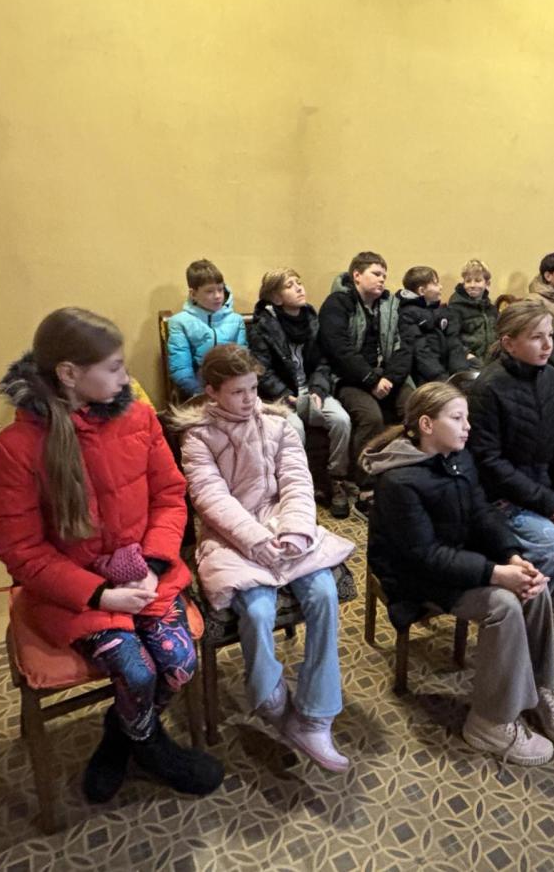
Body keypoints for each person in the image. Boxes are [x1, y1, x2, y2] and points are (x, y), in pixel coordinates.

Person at [0, 307, 223, 804]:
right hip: (73, 594)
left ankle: (121, 733)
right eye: (114, 368)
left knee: (179, 661)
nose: (126, 378)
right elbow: (22, 552)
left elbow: (169, 496)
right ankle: (150, 746)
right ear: (69, 374)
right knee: (137, 671)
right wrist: (100, 594)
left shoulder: (139, 418)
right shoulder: (17, 448)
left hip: (146, 574)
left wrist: (152, 566)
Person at [362, 382, 554, 765]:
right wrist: (495, 574)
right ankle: (489, 723)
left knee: (534, 589)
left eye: (467, 418)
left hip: (457, 558)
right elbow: (424, 556)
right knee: (504, 606)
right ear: (426, 424)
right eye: (458, 418)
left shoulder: (458, 458)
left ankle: (541, 687)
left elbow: (482, 514)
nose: (468, 427)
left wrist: (512, 557)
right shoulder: (398, 481)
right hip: (414, 575)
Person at [170, 344, 355, 772]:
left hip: (282, 523)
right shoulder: (198, 435)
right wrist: (255, 540)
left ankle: (315, 714)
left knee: (324, 593)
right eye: (238, 392)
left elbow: (296, 481)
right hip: (229, 536)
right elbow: (211, 499)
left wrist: (296, 529)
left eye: (253, 388)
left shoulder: (277, 423)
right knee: (256, 609)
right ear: (212, 391)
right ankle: (271, 698)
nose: (249, 398)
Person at [466, 301, 554, 610]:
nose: (548, 345)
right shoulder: (488, 388)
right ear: (509, 343)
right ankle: (524, 617)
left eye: (550, 335)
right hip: (503, 497)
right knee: (551, 548)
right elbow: (489, 461)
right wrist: (546, 502)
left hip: (547, 490)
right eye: (536, 337)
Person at [248, 267, 352, 517]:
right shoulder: (262, 326)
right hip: (281, 396)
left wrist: (317, 388)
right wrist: (286, 395)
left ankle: (336, 479)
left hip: (312, 390)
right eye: (289, 285)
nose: (299, 288)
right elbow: (262, 371)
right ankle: (299, 487)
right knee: (294, 428)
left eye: (299, 282)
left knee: (341, 420)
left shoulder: (312, 319)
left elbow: (324, 362)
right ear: (276, 297)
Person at [318, 251, 414, 511]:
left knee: (416, 408)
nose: (382, 279)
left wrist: (390, 378)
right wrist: (371, 379)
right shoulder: (338, 303)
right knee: (371, 417)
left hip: (388, 377)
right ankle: (366, 484)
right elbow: (338, 349)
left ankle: (408, 472)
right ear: (357, 275)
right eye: (376, 273)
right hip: (350, 378)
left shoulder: (392, 305)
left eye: (384, 275)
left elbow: (405, 347)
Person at [167, 258, 247, 398]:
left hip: (233, 390)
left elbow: (243, 361)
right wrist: (201, 394)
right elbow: (181, 369)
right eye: (209, 291)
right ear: (193, 294)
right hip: (197, 391)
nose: (217, 296)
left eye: (220, 290)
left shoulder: (236, 320)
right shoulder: (180, 322)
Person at [397, 265, 471, 382]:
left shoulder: (441, 311)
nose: (441, 287)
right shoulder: (407, 315)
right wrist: (441, 379)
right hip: (428, 377)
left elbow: (454, 343)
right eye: (436, 284)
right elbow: (420, 352)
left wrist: (460, 373)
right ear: (422, 291)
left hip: (447, 372)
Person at [449, 259, 499, 364]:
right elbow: (451, 338)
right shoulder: (455, 308)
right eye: (468, 281)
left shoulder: (492, 309)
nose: (472, 285)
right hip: (468, 360)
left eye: (477, 280)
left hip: (491, 359)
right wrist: (467, 354)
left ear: (487, 284)